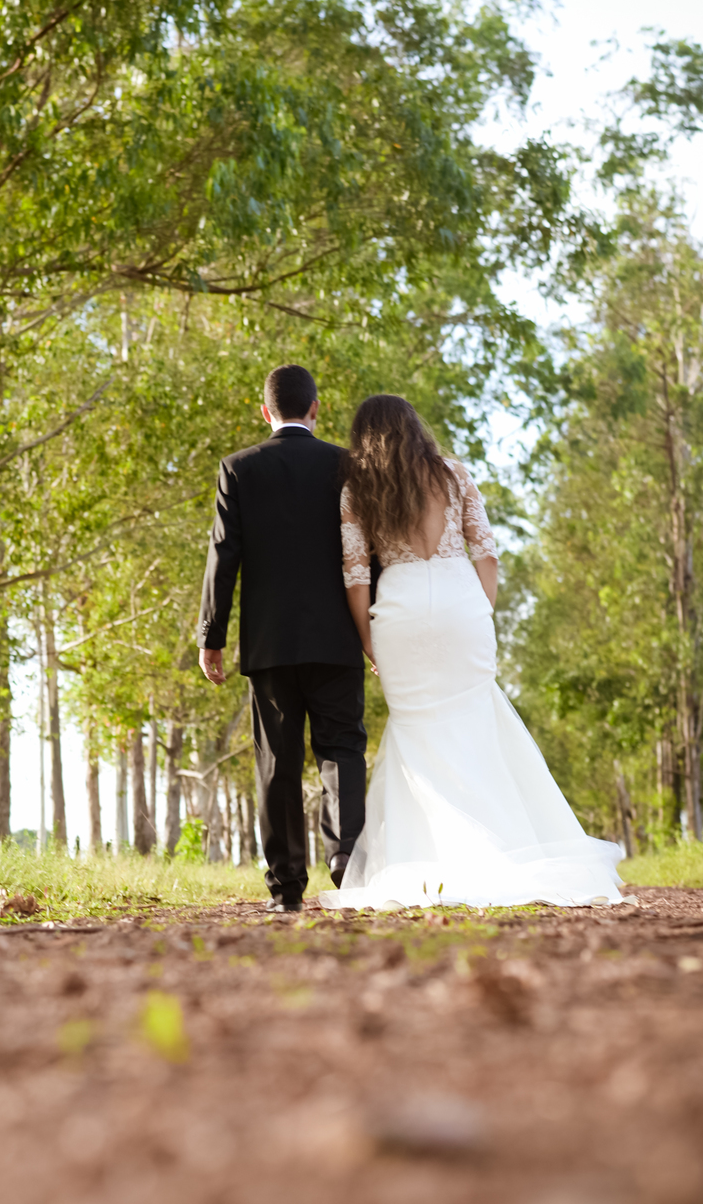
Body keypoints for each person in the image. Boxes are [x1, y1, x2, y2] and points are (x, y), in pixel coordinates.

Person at [321, 394, 625, 911]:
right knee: (478, 725)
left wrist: (369, 640)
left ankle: (426, 859)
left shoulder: (358, 489)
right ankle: (509, 846)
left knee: (416, 732)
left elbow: (355, 576)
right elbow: (486, 553)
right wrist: (479, 612)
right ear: (414, 428)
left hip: (401, 611)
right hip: (462, 603)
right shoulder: (453, 474)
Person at [197, 365, 367, 912]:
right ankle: (347, 860)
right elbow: (369, 552)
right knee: (341, 747)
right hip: (338, 636)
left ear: (264, 411)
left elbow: (223, 557)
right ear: (317, 408)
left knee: (279, 761)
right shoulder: (348, 466)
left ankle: (286, 888)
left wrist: (212, 635)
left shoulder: (239, 468)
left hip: (270, 643)